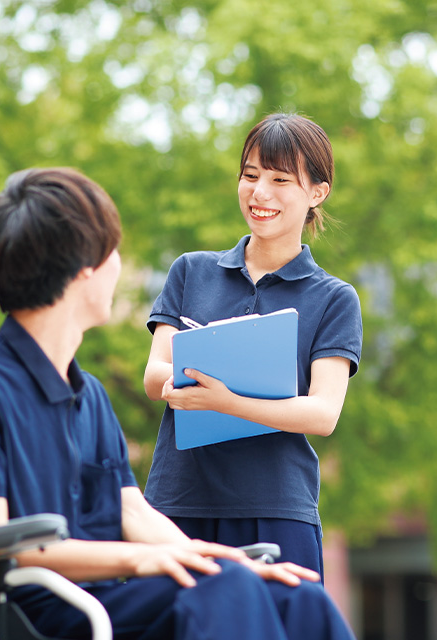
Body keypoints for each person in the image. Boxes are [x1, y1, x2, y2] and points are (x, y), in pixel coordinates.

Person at [0, 167, 355, 640]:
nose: (118, 266)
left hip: (102, 595)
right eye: (111, 252)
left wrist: (217, 558)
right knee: (224, 589)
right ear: (82, 270)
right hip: (35, 605)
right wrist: (143, 558)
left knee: (297, 599)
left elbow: (131, 511)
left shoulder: (87, 397)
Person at [142, 113, 363, 578]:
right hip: (177, 503)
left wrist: (227, 401)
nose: (260, 192)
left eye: (281, 179)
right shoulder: (191, 271)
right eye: (250, 175)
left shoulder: (333, 298)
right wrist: (191, 381)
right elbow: (154, 375)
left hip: (276, 510)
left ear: (317, 193)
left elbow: (323, 414)